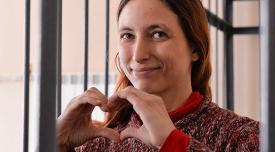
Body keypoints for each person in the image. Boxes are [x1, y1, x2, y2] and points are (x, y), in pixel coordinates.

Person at [57, 0, 259, 151]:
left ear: (195, 48)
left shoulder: (246, 137)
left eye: (158, 34)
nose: (138, 55)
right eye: (127, 35)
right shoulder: (97, 143)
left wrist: (172, 142)